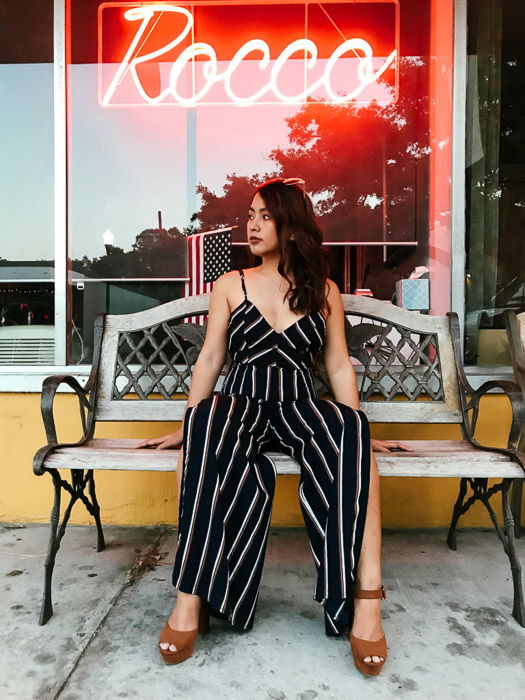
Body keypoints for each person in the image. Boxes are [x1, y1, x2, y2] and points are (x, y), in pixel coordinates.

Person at [138, 177, 411, 676]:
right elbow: (211, 358)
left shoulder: (322, 290)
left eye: (265, 215)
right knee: (203, 436)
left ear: (291, 226)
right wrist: (191, 421)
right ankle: (189, 598)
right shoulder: (230, 283)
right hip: (241, 401)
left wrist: (357, 426)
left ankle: (366, 598)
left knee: (354, 442)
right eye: (250, 215)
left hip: (298, 403)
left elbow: (338, 367)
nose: (252, 224)